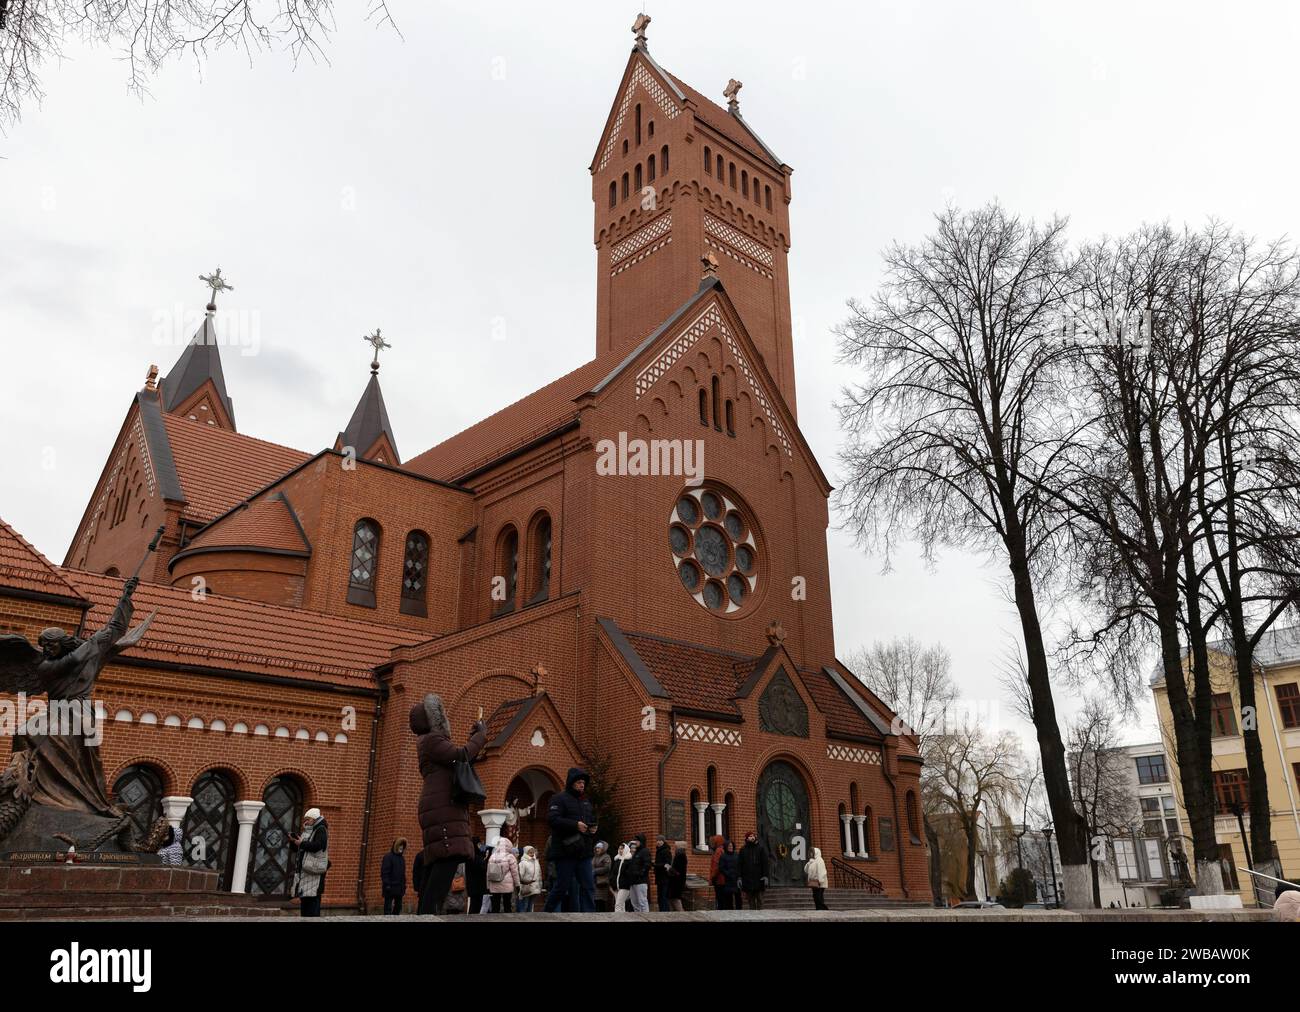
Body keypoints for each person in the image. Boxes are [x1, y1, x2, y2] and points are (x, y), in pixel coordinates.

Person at [410, 691, 488, 915]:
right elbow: (461, 756)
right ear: (435, 719)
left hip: (439, 804)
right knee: (447, 860)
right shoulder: (432, 740)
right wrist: (480, 736)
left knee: (439, 863)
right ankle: (426, 916)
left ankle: (424, 915)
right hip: (442, 806)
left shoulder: (427, 742)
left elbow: (459, 759)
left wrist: (475, 739)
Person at [543, 767, 598, 912]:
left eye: (583, 783)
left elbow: (591, 819)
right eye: (579, 782)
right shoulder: (558, 799)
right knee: (562, 886)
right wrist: (575, 825)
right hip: (565, 851)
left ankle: (590, 917)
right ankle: (545, 913)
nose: (582, 785)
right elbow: (552, 819)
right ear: (571, 783)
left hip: (584, 851)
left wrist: (593, 828)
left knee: (588, 885)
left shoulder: (586, 802)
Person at [289, 808, 329, 917]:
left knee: (312, 903)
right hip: (306, 871)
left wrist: (301, 843)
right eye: (305, 819)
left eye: (308, 819)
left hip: (313, 871)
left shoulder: (320, 829)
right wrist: (294, 842)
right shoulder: (308, 831)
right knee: (305, 902)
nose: (305, 822)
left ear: (314, 819)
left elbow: (317, 846)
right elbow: (301, 848)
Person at [487, 836, 520, 912]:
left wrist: (488, 885)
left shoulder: (492, 857)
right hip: (507, 885)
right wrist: (517, 885)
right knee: (507, 905)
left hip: (494, 884)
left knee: (495, 906)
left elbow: (488, 873)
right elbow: (515, 873)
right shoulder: (510, 857)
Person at [738, 831, 769, 910]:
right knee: (751, 901)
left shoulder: (760, 849)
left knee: (760, 900)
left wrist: (765, 876)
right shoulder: (743, 850)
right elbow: (740, 865)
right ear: (746, 838)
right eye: (750, 836)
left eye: (753, 836)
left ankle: (761, 917)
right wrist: (739, 877)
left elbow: (765, 863)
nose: (752, 837)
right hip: (748, 880)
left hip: (759, 879)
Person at [380, 837, 407, 915]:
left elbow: (402, 873)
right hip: (390, 887)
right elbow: (384, 872)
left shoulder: (402, 859)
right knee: (388, 907)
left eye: (403, 846)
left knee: (398, 907)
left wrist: (404, 886)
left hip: (399, 887)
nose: (401, 847)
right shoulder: (388, 857)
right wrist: (387, 884)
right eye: (400, 845)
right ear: (396, 846)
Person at [628, 833, 651, 912]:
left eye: (637, 840)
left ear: (641, 841)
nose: (635, 842)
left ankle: (646, 919)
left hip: (641, 881)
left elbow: (647, 864)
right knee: (634, 903)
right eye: (634, 840)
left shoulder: (645, 851)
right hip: (632, 881)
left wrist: (641, 873)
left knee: (642, 902)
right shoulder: (635, 852)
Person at [467, 838, 490, 914]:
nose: (481, 846)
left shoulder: (471, 855)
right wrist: (485, 859)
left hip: (474, 886)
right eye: (479, 844)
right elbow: (483, 868)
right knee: (475, 906)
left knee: (475, 905)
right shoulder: (476, 857)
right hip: (477, 886)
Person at [518, 845, 542, 912]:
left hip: (534, 887)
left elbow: (539, 874)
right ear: (525, 853)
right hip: (526, 886)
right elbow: (520, 875)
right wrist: (524, 882)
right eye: (530, 852)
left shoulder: (536, 862)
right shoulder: (522, 863)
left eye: (532, 852)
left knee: (531, 905)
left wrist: (539, 886)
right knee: (524, 904)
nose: (532, 854)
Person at [718, 838, 741, 910]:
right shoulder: (723, 856)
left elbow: (740, 865)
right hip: (728, 879)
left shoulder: (737, 855)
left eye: (731, 846)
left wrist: (739, 875)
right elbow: (721, 868)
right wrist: (727, 873)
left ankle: (739, 910)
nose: (730, 847)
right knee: (728, 897)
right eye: (729, 846)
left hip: (736, 879)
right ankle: (730, 910)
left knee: (738, 897)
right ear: (726, 847)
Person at [612, 842, 634, 913]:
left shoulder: (628, 860)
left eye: (622, 849)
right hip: (616, 886)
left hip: (624, 886)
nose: (620, 850)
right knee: (621, 905)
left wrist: (626, 883)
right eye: (619, 848)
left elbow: (629, 874)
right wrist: (612, 884)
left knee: (618, 905)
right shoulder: (617, 859)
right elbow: (613, 873)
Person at [804, 846, 828, 911]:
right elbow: (806, 870)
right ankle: (818, 909)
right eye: (810, 852)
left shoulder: (819, 860)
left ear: (816, 853)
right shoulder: (813, 861)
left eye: (812, 852)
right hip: (814, 882)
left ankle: (824, 909)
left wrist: (820, 881)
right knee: (815, 896)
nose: (811, 854)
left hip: (820, 883)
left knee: (818, 897)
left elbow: (821, 871)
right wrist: (809, 862)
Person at [667, 841, 689, 912]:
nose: (675, 847)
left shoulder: (680, 856)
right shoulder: (680, 855)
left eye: (676, 846)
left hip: (677, 881)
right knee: (673, 899)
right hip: (676, 881)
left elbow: (678, 871)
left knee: (675, 899)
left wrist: (669, 868)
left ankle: (682, 915)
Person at [653, 835, 673, 912]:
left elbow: (667, 864)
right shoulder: (658, 850)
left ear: (663, 841)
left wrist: (656, 865)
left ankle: (665, 913)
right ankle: (661, 912)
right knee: (660, 896)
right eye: (657, 840)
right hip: (659, 877)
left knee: (664, 896)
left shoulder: (666, 851)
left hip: (665, 877)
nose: (657, 842)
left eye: (659, 840)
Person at [592, 841, 612, 912]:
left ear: (603, 848)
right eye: (596, 848)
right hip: (594, 882)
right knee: (595, 902)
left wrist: (594, 871)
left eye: (599, 848)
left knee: (601, 902)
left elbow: (607, 868)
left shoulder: (606, 857)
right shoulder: (595, 857)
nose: (597, 849)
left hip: (602, 883)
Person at [709, 834, 727, 909]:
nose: (711, 844)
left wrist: (712, 877)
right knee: (722, 898)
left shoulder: (718, 851)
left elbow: (716, 866)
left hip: (719, 879)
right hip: (722, 879)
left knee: (720, 898)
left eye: (713, 842)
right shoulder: (723, 850)